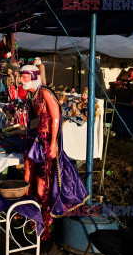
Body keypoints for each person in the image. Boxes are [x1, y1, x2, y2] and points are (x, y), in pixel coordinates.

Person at [19, 64, 88, 240]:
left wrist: (53, 143)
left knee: (43, 179)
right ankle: (28, 206)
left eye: (24, 77)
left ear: (33, 77)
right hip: (36, 139)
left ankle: (44, 217)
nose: (21, 80)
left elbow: (56, 116)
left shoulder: (45, 93)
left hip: (46, 140)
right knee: (28, 170)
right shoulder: (32, 94)